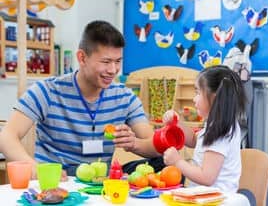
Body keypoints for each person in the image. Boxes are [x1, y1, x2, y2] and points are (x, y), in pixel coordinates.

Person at [0, 20, 162, 179]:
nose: (113, 70)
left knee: (164, 162)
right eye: (106, 62)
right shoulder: (47, 91)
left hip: (99, 181)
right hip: (58, 180)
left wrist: (134, 143)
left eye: (118, 61)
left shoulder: (125, 97)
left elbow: (154, 144)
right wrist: (34, 168)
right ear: (82, 58)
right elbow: (6, 136)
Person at [162, 65, 246, 193]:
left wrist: (177, 162)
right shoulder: (216, 124)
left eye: (197, 93)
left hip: (217, 199)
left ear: (215, 97)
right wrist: (177, 124)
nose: (194, 99)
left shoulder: (221, 130)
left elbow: (207, 177)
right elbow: (194, 141)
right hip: (206, 196)